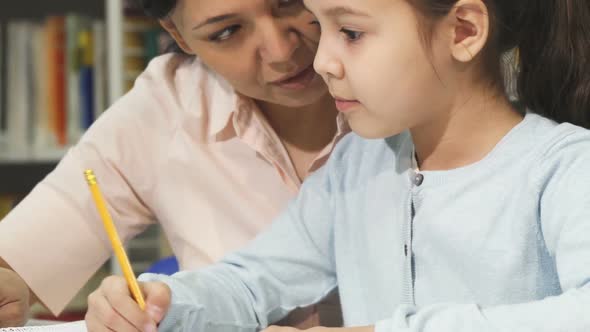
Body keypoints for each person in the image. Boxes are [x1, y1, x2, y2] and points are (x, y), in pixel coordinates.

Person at [85, 0, 590, 331]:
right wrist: (160, 303)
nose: (322, 60)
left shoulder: (564, 169)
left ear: (463, 30)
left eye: (349, 32)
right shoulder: (357, 166)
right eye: (319, 25)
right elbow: (249, 282)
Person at [0, 0, 347, 328]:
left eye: (289, 1)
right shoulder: (164, 109)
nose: (281, 51)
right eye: (226, 32)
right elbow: (19, 259)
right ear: (178, 35)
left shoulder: (393, 110)